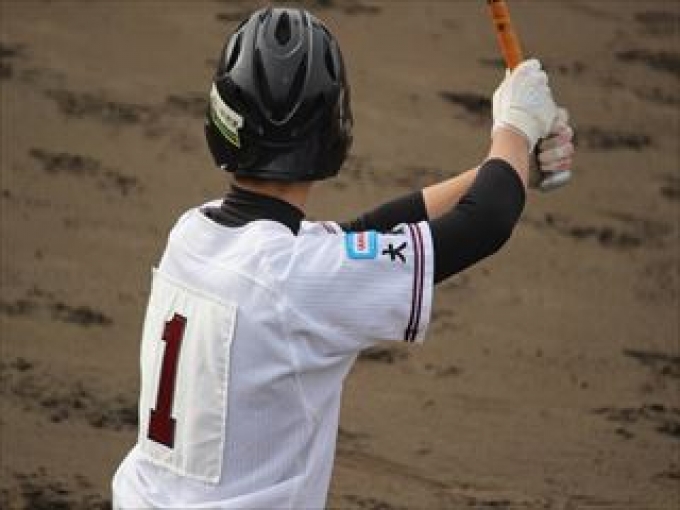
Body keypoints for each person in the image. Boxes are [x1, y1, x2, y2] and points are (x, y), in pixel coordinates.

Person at [112, 7, 574, 509]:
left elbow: (362, 235)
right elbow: (485, 222)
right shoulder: (296, 277)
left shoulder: (194, 232)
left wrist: (509, 166)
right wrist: (515, 127)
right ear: (333, 128)